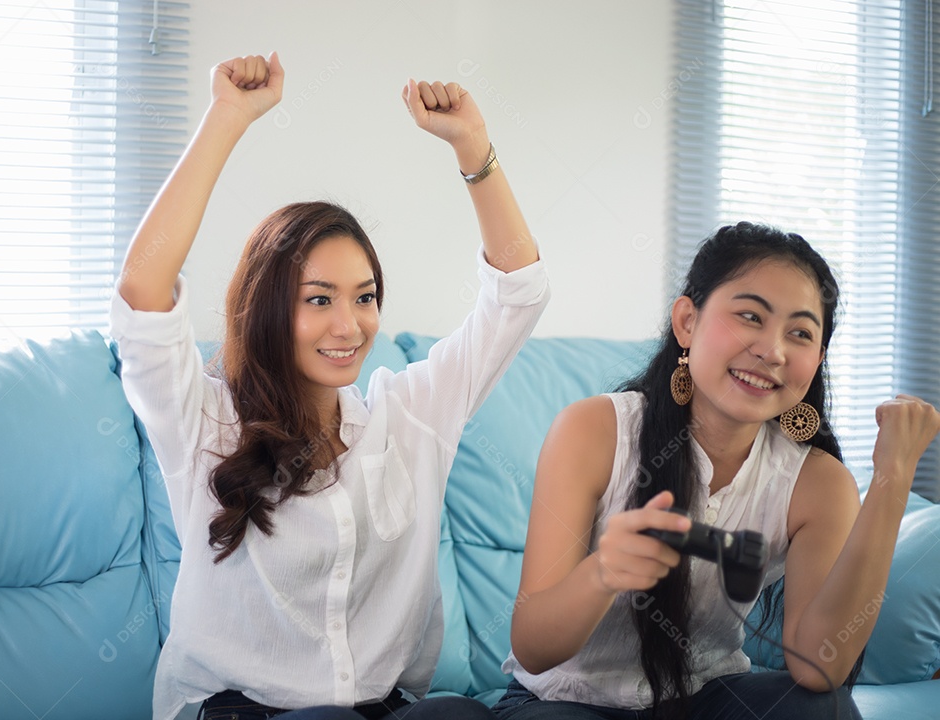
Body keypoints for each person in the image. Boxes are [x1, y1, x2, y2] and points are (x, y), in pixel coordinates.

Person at [110, 52, 548, 720]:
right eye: (319, 300)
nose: (350, 325)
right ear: (269, 307)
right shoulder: (205, 422)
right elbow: (143, 288)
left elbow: (517, 295)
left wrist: (473, 147)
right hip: (239, 711)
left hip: (381, 709)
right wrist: (228, 118)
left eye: (365, 297)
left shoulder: (408, 418)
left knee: (460, 715)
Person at [494, 222, 940, 720]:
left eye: (800, 333)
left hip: (705, 700)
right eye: (750, 316)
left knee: (820, 709)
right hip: (564, 700)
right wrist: (603, 573)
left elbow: (819, 666)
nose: (773, 351)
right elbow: (532, 647)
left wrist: (893, 478)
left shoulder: (817, 482)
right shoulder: (594, 430)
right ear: (687, 321)